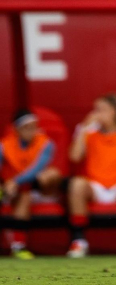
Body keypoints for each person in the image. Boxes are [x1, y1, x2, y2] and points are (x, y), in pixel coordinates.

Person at [66, 93, 116, 258]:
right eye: (96, 110)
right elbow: (74, 157)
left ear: (115, 112)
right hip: (95, 186)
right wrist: (83, 128)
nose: (96, 114)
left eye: (102, 110)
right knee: (77, 184)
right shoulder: (89, 135)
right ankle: (79, 241)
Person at [0, 109, 62, 259]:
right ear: (17, 129)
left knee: (50, 175)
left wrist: (15, 182)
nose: (33, 131)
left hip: (37, 190)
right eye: (28, 127)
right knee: (21, 194)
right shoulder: (4, 146)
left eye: (35, 126)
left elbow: (36, 169)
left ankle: (18, 246)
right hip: (11, 190)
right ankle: (18, 246)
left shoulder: (46, 143)